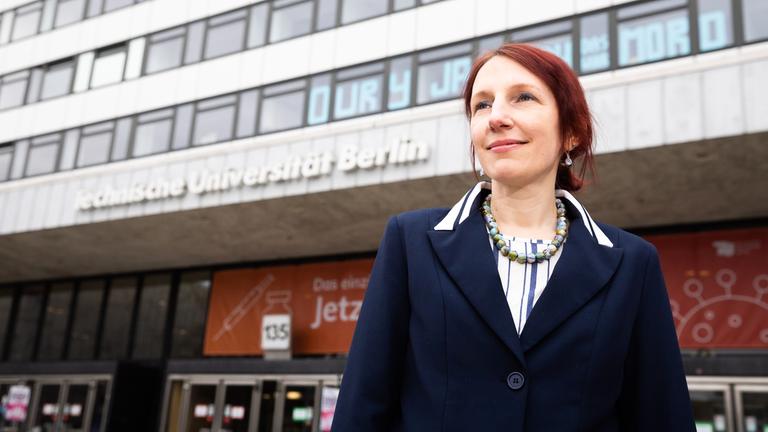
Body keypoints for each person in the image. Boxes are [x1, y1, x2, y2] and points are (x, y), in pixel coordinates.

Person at [330, 43, 695, 432]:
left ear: (571, 132)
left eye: (523, 97)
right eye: (481, 105)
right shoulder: (410, 241)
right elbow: (363, 404)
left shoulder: (632, 262)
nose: (496, 117)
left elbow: (660, 412)